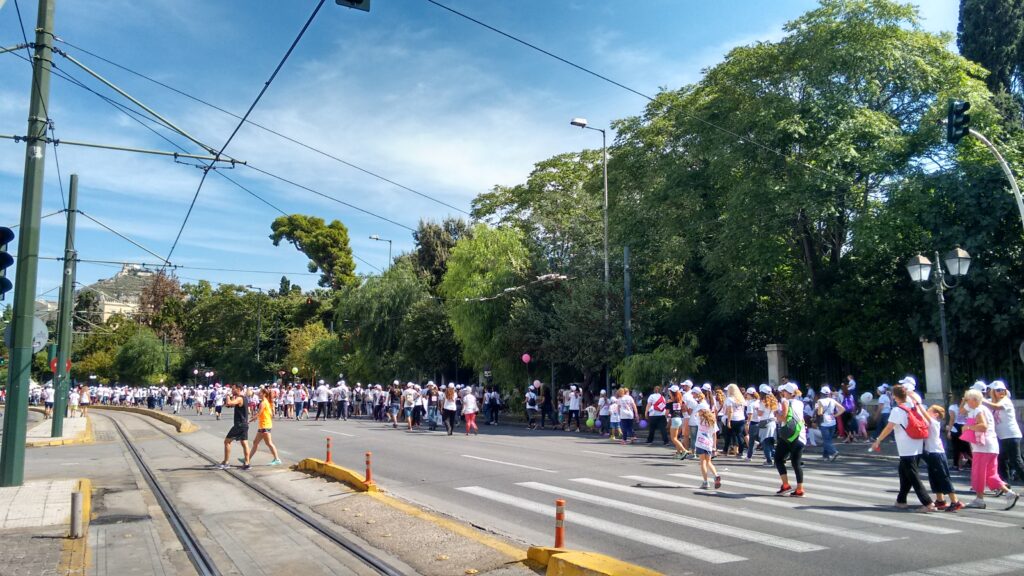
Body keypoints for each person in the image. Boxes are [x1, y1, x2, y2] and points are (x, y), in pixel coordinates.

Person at [871, 383, 935, 512]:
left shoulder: (897, 410)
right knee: (903, 472)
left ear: (895, 397)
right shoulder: (914, 406)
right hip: (917, 442)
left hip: (906, 447)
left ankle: (928, 503)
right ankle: (901, 500)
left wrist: (878, 440)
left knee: (912, 475)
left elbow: (889, 428)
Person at [961, 388, 1019, 510]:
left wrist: (968, 427)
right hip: (991, 446)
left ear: (975, 400)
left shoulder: (978, 410)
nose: (967, 402)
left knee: (978, 473)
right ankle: (1009, 493)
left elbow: (983, 426)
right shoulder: (984, 409)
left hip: (983, 447)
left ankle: (979, 499)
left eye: (968, 399)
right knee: (991, 475)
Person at [983, 381, 1024, 488]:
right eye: (997, 390)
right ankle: (1004, 484)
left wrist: (981, 400)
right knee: (1001, 460)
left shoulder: (1005, 401)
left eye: (1002, 390)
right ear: (991, 391)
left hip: (1011, 435)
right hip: (1001, 436)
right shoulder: (991, 401)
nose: (1001, 392)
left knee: (1016, 461)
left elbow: (996, 407)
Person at [923, 405, 962, 512]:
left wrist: (917, 404)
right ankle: (940, 500)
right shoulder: (930, 421)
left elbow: (924, 415)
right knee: (934, 477)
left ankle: (955, 501)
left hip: (937, 453)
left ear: (935, 414)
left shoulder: (934, 422)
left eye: (929, 411)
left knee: (943, 477)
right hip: (931, 452)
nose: (926, 412)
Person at [775, 382, 806, 497]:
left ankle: (786, 485)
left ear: (786, 392)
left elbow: (783, 418)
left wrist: (776, 414)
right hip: (800, 435)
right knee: (796, 463)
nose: (782, 393)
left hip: (787, 436)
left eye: (783, 391)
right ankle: (799, 489)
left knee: (778, 459)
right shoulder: (800, 403)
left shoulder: (785, 401)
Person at [218, 383, 251, 470]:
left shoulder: (240, 398)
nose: (232, 391)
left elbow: (229, 403)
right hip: (244, 424)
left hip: (239, 425)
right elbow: (230, 405)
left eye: (233, 389)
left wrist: (228, 395)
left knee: (227, 441)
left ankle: (226, 462)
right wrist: (231, 396)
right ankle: (247, 463)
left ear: (239, 389)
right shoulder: (244, 398)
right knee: (244, 443)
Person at [248, 388, 282, 466]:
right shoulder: (266, 402)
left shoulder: (263, 403)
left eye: (260, 393)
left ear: (264, 394)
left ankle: (277, 459)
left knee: (269, 443)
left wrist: (249, 421)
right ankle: (247, 458)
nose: (258, 394)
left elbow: (259, 413)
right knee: (255, 442)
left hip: (265, 425)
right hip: (263, 425)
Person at [815, 386, 845, 462]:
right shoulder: (832, 400)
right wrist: (835, 415)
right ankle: (825, 456)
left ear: (821, 393)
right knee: (828, 440)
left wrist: (816, 408)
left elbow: (820, 413)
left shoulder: (820, 401)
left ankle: (834, 452)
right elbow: (842, 409)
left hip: (824, 423)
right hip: (833, 422)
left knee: (826, 440)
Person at [695, 406, 722, 489]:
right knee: (709, 462)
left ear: (702, 411)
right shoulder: (712, 421)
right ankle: (716, 475)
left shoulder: (699, 419)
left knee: (703, 462)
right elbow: (714, 434)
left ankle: (705, 482)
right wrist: (714, 447)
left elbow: (694, 415)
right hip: (709, 444)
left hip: (700, 442)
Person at [947, 392, 971, 471]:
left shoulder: (952, 407)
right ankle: (971, 463)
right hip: (965, 426)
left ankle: (956, 464)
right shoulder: (967, 407)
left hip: (956, 427)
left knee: (956, 447)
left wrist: (949, 431)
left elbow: (952, 419)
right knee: (967, 447)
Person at [723, 384, 747, 458]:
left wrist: (729, 421)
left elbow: (730, 411)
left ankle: (725, 450)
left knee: (728, 435)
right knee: (740, 435)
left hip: (733, 418)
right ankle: (741, 451)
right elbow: (743, 409)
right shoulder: (741, 398)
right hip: (741, 418)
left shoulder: (729, 399)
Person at [757, 385, 777, 466]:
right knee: (771, 442)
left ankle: (769, 460)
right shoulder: (774, 401)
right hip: (773, 422)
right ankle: (776, 459)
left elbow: (760, 413)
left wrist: (757, 410)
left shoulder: (762, 402)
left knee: (765, 443)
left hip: (765, 423)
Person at [667, 385, 689, 459]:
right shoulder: (680, 400)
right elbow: (685, 409)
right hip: (680, 418)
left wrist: (668, 415)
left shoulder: (670, 402)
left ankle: (684, 450)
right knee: (676, 437)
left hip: (674, 419)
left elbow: (666, 413)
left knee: (673, 438)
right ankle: (678, 453)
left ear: (671, 392)